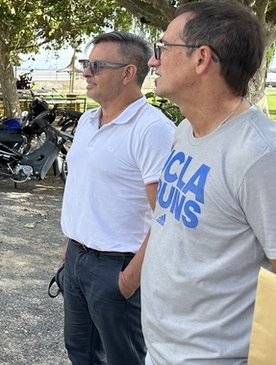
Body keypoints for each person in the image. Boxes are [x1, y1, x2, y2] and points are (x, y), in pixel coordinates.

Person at [142, 0, 276, 364]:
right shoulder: (184, 130)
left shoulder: (261, 155)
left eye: (163, 48)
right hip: (160, 353)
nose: (153, 60)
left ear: (201, 59)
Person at [60, 31, 175, 364]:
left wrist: (128, 280)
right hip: (78, 261)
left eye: (96, 65)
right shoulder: (87, 120)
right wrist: (71, 247)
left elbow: (166, 218)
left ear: (128, 73)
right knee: (80, 352)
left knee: (124, 358)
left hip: (117, 267)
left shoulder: (152, 129)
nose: (85, 72)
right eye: (86, 63)